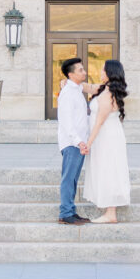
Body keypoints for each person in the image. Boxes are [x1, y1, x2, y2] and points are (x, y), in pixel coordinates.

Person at [82, 59, 130, 223]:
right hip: (107, 134)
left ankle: (111, 213)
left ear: (110, 73)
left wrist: (88, 143)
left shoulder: (108, 94)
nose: (100, 73)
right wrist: (68, 82)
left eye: (103, 70)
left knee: (108, 169)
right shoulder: (105, 89)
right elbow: (87, 87)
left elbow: (99, 122)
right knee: (105, 168)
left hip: (106, 136)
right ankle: (109, 210)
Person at [56, 56, 91, 225]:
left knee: (74, 178)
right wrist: (78, 141)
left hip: (79, 142)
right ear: (70, 75)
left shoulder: (77, 90)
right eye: (80, 70)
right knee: (68, 178)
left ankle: (70, 210)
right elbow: (66, 122)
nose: (84, 72)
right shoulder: (68, 93)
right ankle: (65, 213)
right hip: (72, 143)